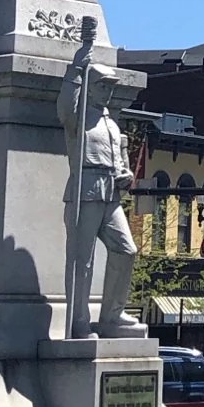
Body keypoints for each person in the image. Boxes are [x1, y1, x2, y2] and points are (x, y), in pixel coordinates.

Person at [58, 26, 146, 338]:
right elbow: (66, 103)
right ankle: (79, 321)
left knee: (126, 250)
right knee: (82, 261)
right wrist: (78, 64)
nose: (107, 91)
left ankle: (111, 315)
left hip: (110, 194)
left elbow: (122, 164)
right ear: (90, 86)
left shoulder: (111, 124)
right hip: (85, 190)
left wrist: (125, 175)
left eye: (110, 86)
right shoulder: (77, 119)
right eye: (101, 85)